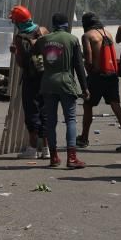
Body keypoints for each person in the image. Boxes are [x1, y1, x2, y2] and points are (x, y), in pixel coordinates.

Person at [36, 13, 89, 169]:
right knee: (70, 119)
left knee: (51, 121)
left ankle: (53, 157)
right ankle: (71, 158)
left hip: (48, 83)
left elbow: (33, 55)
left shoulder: (43, 40)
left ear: (53, 24)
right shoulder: (72, 39)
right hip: (66, 83)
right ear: (66, 24)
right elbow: (79, 66)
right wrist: (85, 88)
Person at [79, 12, 121, 150]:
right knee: (116, 106)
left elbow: (89, 60)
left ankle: (84, 138)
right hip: (112, 75)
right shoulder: (107, 33)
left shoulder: (87, 36)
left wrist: (87, 73)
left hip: (96, 76)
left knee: (87, 105)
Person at [9, 5, 49, 159]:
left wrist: (15, 53)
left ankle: (32, 149)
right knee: (45, 111)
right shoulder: (43, 30)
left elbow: (21, 63)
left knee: (32, 112)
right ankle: (46, 149)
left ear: (18, 22)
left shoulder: (20, 38)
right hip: (45, 77)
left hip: (30, 79)